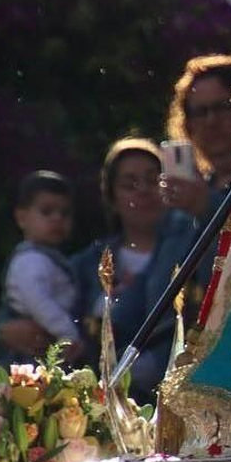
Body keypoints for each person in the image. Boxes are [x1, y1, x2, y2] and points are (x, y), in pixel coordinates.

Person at [71, 139, 192, 404]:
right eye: (130, 184)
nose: (144, 191)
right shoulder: (88, 264)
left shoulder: (191, 247)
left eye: (153, 180)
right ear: (112, 198)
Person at [0, 170, 85, 366]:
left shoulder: (51, 259)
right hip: (29, 353)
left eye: (65, 213)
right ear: (21, 218)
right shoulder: (30, 260)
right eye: (46, 211)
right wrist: (67, 333)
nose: (57, 219)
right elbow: (38, 302)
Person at [159, 54, 231, 222]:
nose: (211, 121)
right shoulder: (180, 208)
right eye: (200, 112)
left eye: (222, 108)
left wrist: (207, 206)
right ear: (187, 123)